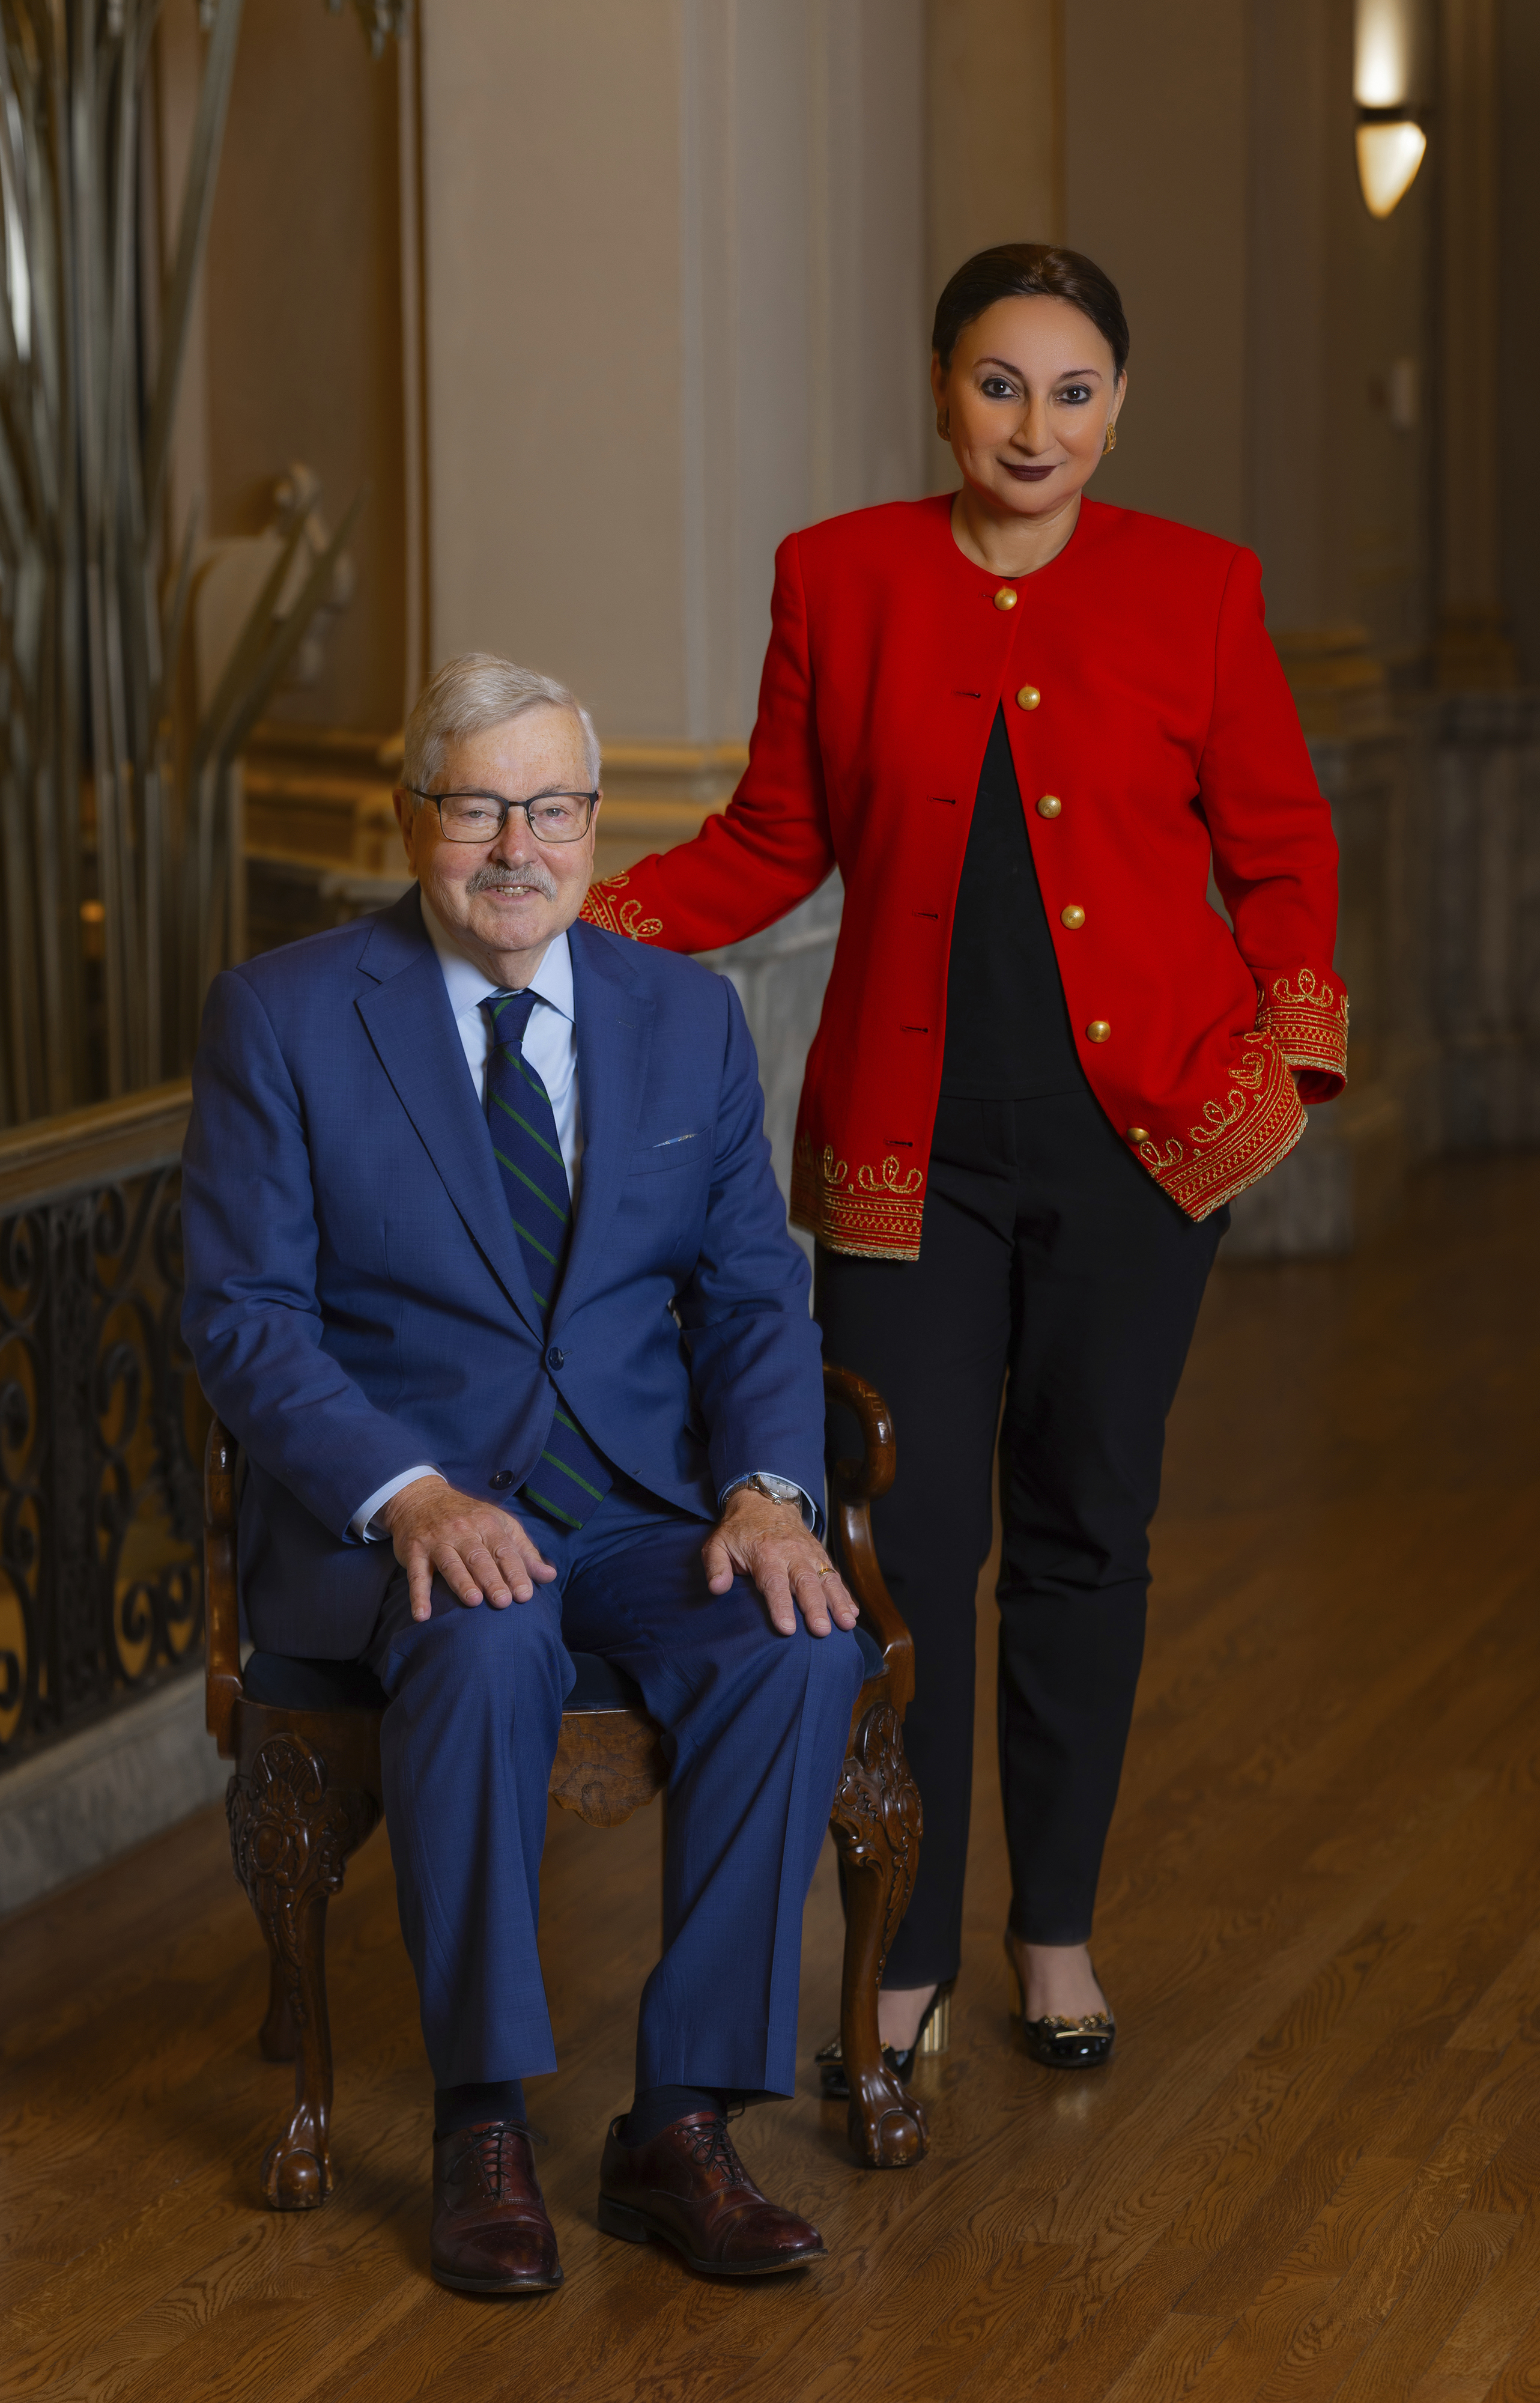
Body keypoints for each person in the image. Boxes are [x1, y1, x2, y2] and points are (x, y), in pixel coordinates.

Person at [582, 244, 1347, 2082]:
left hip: (1136, 1151)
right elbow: (772, 838)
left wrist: (1284, 1057)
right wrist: (578, 917)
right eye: (1001, 385)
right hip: (902, 1163)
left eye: (1072, 391)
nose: (1036, 426)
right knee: (898, 1554)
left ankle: (1055, 1934)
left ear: (1115, 407)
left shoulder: (1199, 588)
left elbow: (1281, 851)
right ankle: (902, 1944)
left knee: (1087, 1533)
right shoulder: (835, 576)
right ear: (940, 390)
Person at [181, 652, 870, 2297]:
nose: (516, 845)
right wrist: (405, 1491)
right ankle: (481, 2123)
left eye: (551, 807)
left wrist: (767, 1488)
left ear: (590, 823)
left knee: (799, 1643)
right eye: (477, 804)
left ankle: (678, 2126)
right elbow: (243, 1316)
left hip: (635, 1506)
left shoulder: (679, 1012)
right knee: (483, 1636)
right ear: (411, 816)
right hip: (409, 1519)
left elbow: (750, 1288)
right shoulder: (282, 1014)